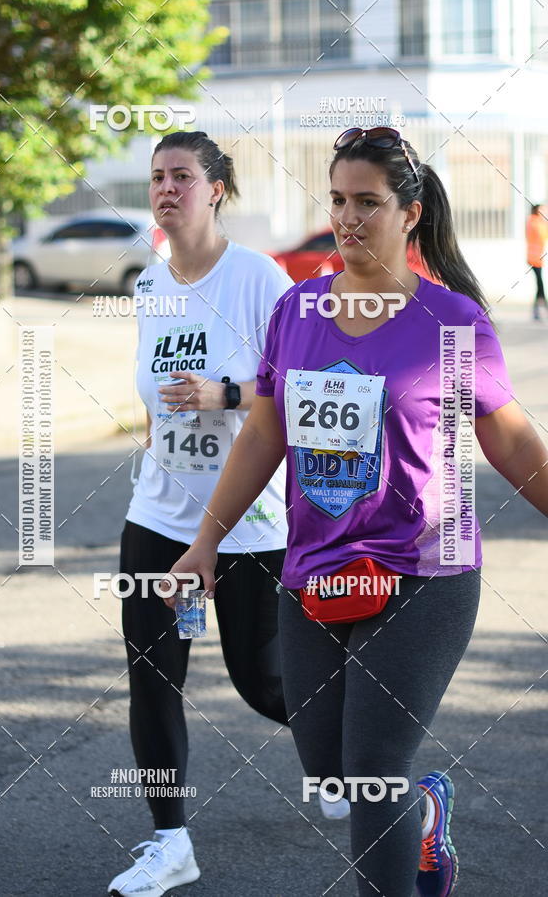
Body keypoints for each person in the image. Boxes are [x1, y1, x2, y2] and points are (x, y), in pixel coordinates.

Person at [168, 127, 548, 896]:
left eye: (367, 202)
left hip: (423, 573)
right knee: (331, 768)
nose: (346, 217)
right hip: (314, 572)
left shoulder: (450, 322)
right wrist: (204, 541)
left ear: (409, 213)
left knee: (373, 773)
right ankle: (427, 813)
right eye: (337, 200)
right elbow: (267, 428)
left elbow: (511, 442)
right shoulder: (299, 309)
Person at [107, 131, 294, 897]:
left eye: (182, 175)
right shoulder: (149, 285)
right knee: (153, 677)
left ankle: (380, 768)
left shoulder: (259, 277)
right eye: (157, 176)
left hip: (247, 519)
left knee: (267, 683)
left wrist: (224, 393)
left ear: (216, 188)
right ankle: (170, 841)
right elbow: (154, 402)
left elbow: (299, 384)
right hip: (156, 517)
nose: (166, 187)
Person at [525, 203, 548, 320]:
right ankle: (539, 309)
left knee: (540, 284)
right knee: (540, 285)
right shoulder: (535, 222)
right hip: (534, 259)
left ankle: (536, 310)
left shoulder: (535, 221)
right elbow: (542, 234)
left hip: (536, 259)